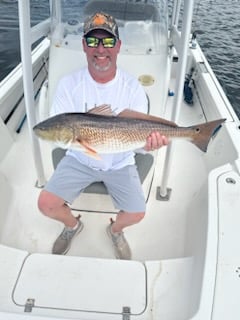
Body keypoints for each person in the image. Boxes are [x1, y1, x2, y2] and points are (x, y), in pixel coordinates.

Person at [38, 12, 168, 260]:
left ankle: (115, 230)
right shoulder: (68, 85)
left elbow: (138, 144)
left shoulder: (133, 89)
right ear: (84, 46)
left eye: (108, 42)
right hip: (79, 159)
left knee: (137, 213)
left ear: (118, 46)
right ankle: (72, 225)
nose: (100, 49)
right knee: (46, 204)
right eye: (93, 41)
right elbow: (59, 127)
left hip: (120, 161)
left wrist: (149, 146)